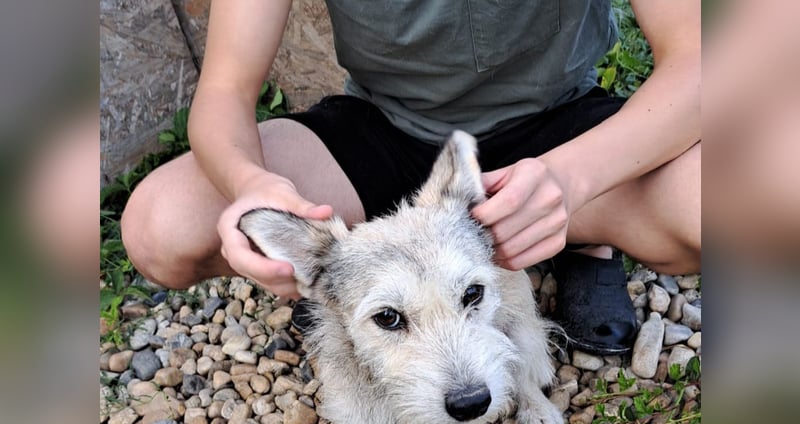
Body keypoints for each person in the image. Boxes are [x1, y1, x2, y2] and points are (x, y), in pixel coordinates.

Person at [121, 0, 700, 355]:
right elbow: (224, 90)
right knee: (161, 226)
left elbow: (703, 59)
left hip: (557, 132)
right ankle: (376, 264)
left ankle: (577, 236)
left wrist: (570, 179)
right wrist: (248, 182)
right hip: (387, 131)